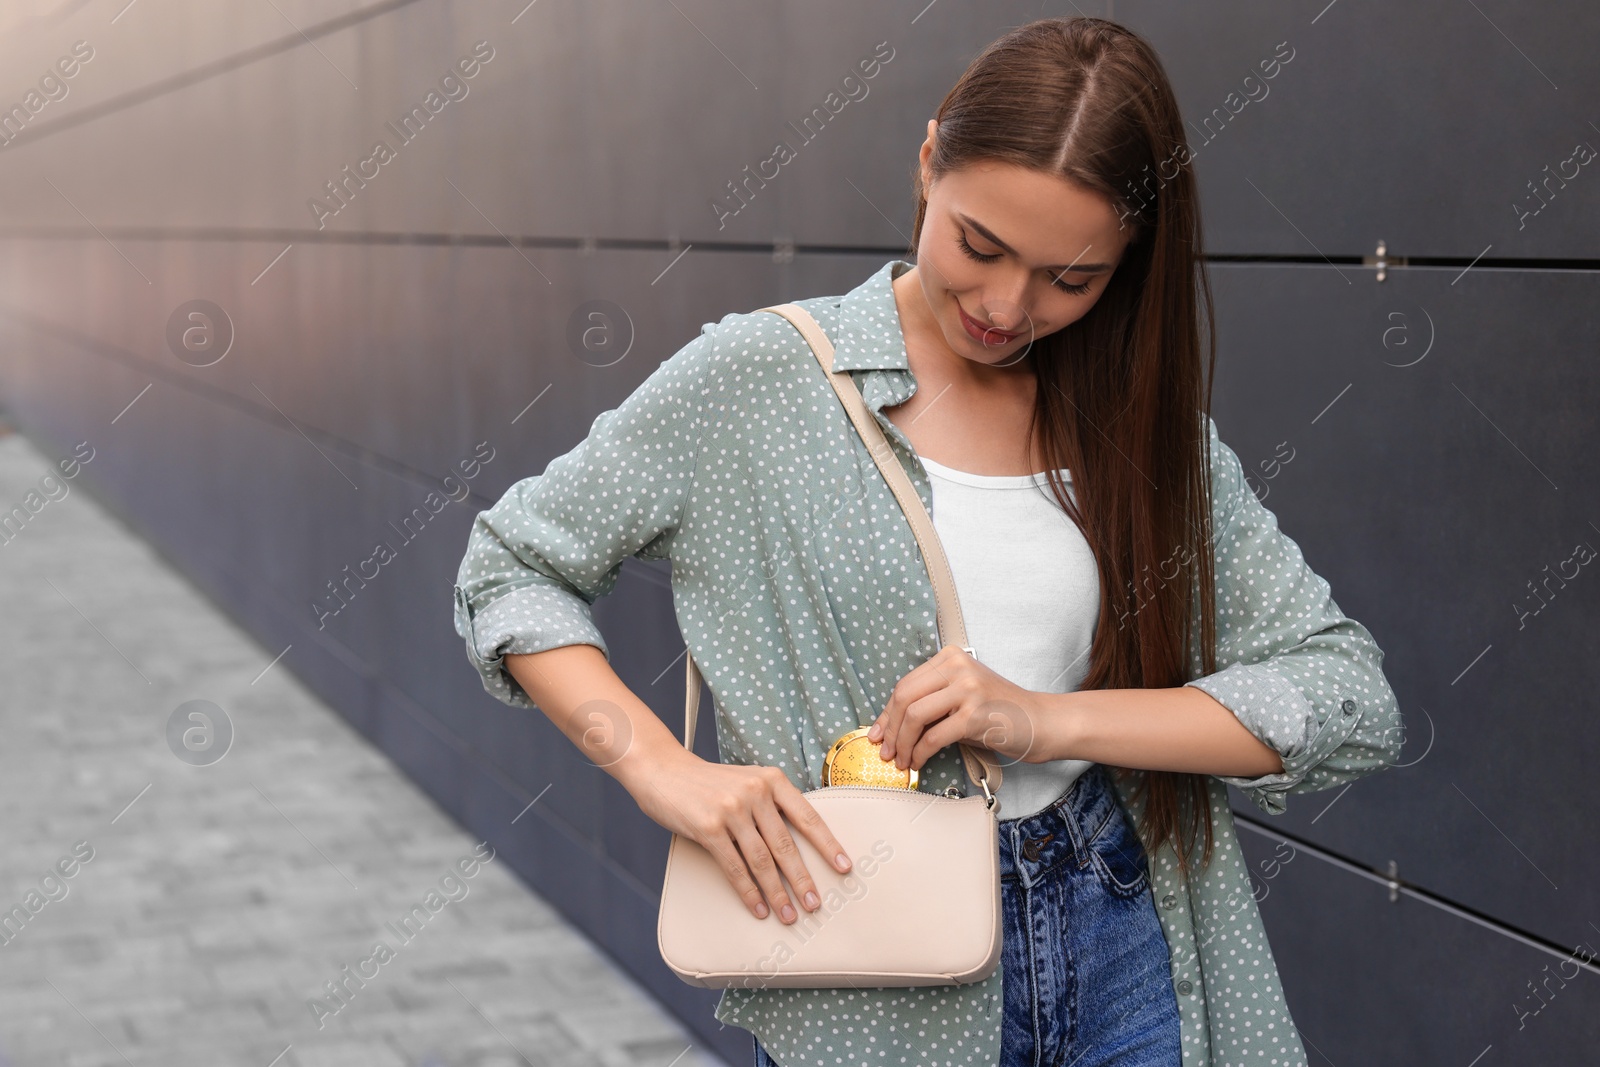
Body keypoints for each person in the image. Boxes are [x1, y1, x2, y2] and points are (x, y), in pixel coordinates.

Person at [452, 15, 1403, 1067]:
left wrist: (1044, 718)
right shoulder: (759, 379)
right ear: (926, 161)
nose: (1005, 305)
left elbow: (1346, 694)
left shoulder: (1145, 431)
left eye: (1069, 278)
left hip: (1129, 930)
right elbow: (513, 564)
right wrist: (657, 766)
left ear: (1129, 262)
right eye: (978, 245)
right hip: (871, 953)